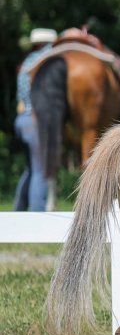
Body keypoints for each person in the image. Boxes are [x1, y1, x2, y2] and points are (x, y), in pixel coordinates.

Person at [13, 28, 57, 211]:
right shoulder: (46, 59)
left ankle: (18, 211)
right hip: (35, 121)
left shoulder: (27, 62)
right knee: (41, 171)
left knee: (31, 169)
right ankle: (36, 217)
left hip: (22, 120)